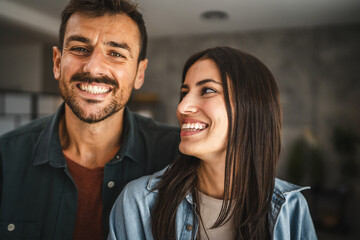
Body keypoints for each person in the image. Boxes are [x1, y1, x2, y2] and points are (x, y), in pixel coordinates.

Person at [0, 0, 179, 239]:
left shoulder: (176, 157)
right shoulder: (5, 158)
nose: (94, 68)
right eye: (80, 49)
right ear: (57, 62)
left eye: (116, 53)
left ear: (139, 73)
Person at [108, 46, 318, 240]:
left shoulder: (291, 208)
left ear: (251, 107)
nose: (182, 107)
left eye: (207, 90)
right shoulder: (138, 203)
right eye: (184, 93)